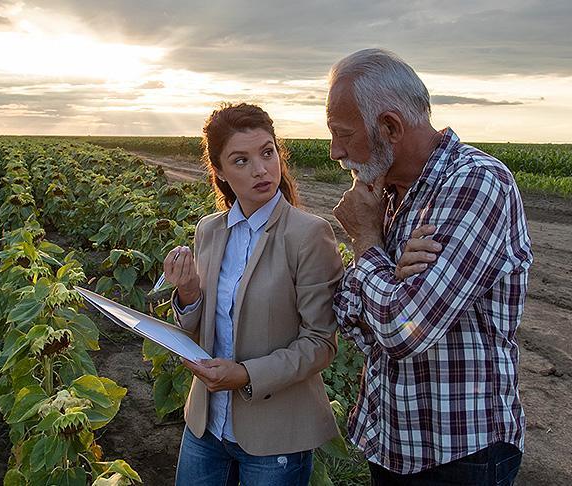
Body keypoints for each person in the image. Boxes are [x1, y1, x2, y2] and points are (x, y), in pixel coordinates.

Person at [329, 48, 532, 485]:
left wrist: (366, 242)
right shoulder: (385, 193)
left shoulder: (476, 183)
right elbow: (349, 315)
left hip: (458, 453)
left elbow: (402, 330)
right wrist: (391, 276)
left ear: (390, 127)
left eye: (342, 134)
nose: (334, 151)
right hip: (392, 441)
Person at [163, 102, 343, 486]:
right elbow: (202, 327)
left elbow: (320, 343)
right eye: (241, 160)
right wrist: (189, 293)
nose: (261, 169)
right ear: (220, 172)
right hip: (206, 424)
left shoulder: (308, 234)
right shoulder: (209, 230)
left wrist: (245, 375)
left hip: (275, 434)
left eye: (267, 153)